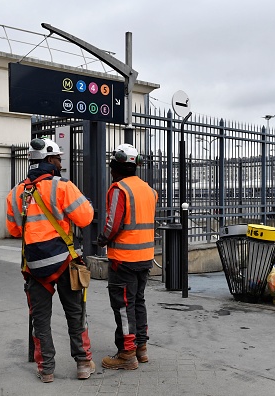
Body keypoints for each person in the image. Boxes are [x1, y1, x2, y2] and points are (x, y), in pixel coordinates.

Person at [6, 138, 96, 381]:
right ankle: (83, 364)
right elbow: (86, 218)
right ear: (49, 160)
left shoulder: (16, 193)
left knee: (40, 320)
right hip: (65, 263)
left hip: (34, 267)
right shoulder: (63, 186)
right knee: (75, 314)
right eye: (58, 158)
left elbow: (14, 230)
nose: (60, 162)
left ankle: (46, 370)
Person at [96, 143, 158, 370]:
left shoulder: (119, 189)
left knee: (123, 306)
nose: (111, 172)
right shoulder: (149, 190)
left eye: (112, 167)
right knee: (138, 302)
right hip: (145, 257)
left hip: (124, 259)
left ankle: (127, 354)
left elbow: (113, 223)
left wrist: (103, 239)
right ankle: (141, 348)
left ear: (116, 167)